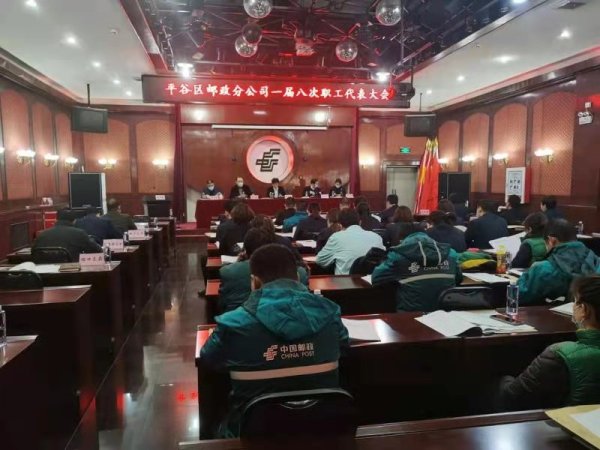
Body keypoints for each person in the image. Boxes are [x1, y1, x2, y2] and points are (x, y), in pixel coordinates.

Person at [200, 244, 349, 438]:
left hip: (253, 433)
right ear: (297, 277)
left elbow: (208, 359)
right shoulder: (330, 312)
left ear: (254, 282)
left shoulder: (233, 323)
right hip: (323, 430)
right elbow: (344, 347)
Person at [496, 275, 600, 411]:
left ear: (583, 310)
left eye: (574, 301)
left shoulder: (560, 355)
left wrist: (501, 379)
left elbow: (512, 399)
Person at [372, 225, 462, 312]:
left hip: (410, 315)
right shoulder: (450, 253)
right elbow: (458, 278)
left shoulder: (398, 255)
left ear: (402, 240)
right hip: (446, 315)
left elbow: (376, 279)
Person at [218, 229, 309, 313]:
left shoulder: (228, 272)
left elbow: (222, 305)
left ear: (245, 250)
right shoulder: (299, 272)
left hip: (239, 321)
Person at [518, 219, 600, 305]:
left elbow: (520, 296)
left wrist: (528, 273)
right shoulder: (596, 261)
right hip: (589, 312)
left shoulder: (542, 268)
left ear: (551, 240)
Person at [316, 209, 385, 275]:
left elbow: (320, 260)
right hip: (371, 281)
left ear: (340, 225)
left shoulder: (337, 237)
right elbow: (383, 261)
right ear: (360, 222)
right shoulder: (377, 237)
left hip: (345, 282)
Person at [32, 209, 102, 260]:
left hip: (44, 273)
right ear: (74, 221)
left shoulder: (42, 235)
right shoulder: (79, 233)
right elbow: (97, 250)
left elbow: (33, 252)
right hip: (71, 272)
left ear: (56, 220)